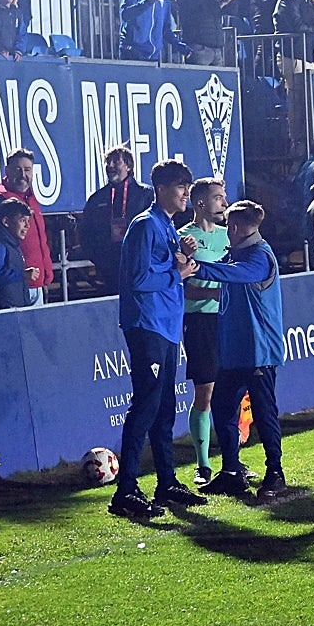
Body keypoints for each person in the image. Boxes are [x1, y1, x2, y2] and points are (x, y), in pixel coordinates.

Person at [109, 159, 207, 519]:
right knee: (146, 405)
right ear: (161, 189)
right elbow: (137, 280)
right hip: (146, 326)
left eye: (187, 186)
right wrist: (176, 273)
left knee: (165, 406)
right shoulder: (144, 225)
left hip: (165, 327)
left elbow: (164, 268)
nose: (186, 193)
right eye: (180, 187)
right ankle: (126, 491)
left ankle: (166, 482)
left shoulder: (165, 226)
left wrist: (184, 256)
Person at [193, 200, 289, 501]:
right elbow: (225, 272)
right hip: (234, 351)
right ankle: (232, 471)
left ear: (234, 228)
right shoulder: (236, 254)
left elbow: (233, 275)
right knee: (222, 410)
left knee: (264, 412)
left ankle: (276, 472)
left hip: (259, 350)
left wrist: (194, 267)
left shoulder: (260, 257)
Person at [179, 178, 229, 486]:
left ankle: (232, 460)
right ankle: (203, 464)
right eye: (218, 198)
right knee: (205, 393)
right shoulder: (184, 239)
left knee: (231, 392)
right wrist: (214, 296)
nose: (224, 203)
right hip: (200, 323)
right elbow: (181, 288)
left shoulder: (229, 235)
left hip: (228, 323)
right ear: (200, 204)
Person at [78, 145, 154, 295]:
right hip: (109, 270)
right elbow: (85, 232)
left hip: (141, 267)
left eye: (115, 162)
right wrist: (100, 260)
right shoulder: (97, 198)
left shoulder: (146, 194)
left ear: (129, 166)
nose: (110, 166)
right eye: (108, 162)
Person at [0, 147, 51, 305]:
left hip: (36, 284)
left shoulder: (31, 197)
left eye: (27, 169)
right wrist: (19, 275)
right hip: (14, 288)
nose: (23, 175)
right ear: (7, 170)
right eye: (18, 170)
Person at [0, 196, 35, 309]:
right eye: (22, 220)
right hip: (4, 313)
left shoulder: (12, 243)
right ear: (6, 221)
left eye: (28, 221)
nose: (27, 226)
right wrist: (22, 274)